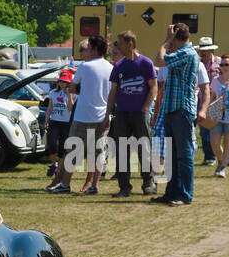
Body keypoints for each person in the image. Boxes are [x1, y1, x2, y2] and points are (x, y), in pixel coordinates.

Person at [49, 37, 110, 194]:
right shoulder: (111, 67)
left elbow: (72, 87)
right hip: (102, 115)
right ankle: (94, 185)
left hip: (83, 115)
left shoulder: (85, 66)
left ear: (95, 49)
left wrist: (76, 89)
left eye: (89, 47)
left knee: (73, 150)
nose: (87, 50)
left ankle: (65, 184)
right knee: (98, 152)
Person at [104, 30, 157, 197]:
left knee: (144, 148)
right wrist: (107, 114)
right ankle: (124, 186)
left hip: (140, 114)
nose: (117, 47)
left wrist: (145, 107)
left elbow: (154, 86)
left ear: (130, 44)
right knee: (121, 150)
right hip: (122, 113)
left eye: (120, 43)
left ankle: (148, 182)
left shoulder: (145, 63)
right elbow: (113, 91)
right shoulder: (119, 66)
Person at [154, 22, 202, 206]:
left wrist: (166, 41)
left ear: (176, 38)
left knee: (183, 155)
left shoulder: (187, 53)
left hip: (181, 110)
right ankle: (171, 192)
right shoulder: (182, 53)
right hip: (173, 109)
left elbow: (158, 61)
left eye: (173, 40)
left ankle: (184, 195)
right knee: (172, 156)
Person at [44, 69, 76, 183]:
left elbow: (71, 108)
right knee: (52, 145)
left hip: (66, 123)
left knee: (63, 147)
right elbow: (50, 108)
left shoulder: (73, 94)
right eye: (61, 81)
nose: (62, 84)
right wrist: (46, 120)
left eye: (65, 82)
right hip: (55, 121)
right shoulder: (53, 92)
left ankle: (58, 169)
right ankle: (53, 164)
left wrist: (69, 95)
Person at [196, 38, 219, 165]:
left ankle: (216, 154)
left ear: (211, 50)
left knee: (215, 130)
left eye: (205, 51)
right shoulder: (196, 63)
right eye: (201, 50)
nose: (202, 53)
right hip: (201, 101)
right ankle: (209, 156)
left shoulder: (220, 63)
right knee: (204, 131)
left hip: (216, 102)